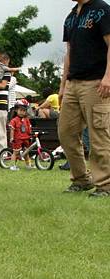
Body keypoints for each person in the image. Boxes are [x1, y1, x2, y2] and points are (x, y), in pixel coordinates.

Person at [58, 0, 110, 197]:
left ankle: (105, 185)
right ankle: (81, 179)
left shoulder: (102, 10)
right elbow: (69, 52)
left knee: (99, 135)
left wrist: (108, 77)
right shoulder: (71, 16)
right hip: (73, 83)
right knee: (66, 133)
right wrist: (63, 86)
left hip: (96, 83)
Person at [7, 100, 33, 171]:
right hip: (17, 139)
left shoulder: (26, 119)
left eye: (24, 111)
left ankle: (28, 165)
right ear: (16, 110)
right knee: (16, 152)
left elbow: (29, 128)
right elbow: (12, 129)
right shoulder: (14, 120)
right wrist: (12, 137)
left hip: (26, 138)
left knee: (26, 153)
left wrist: (30, 134)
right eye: (21, 110)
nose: (22, 112)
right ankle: (12, 165)